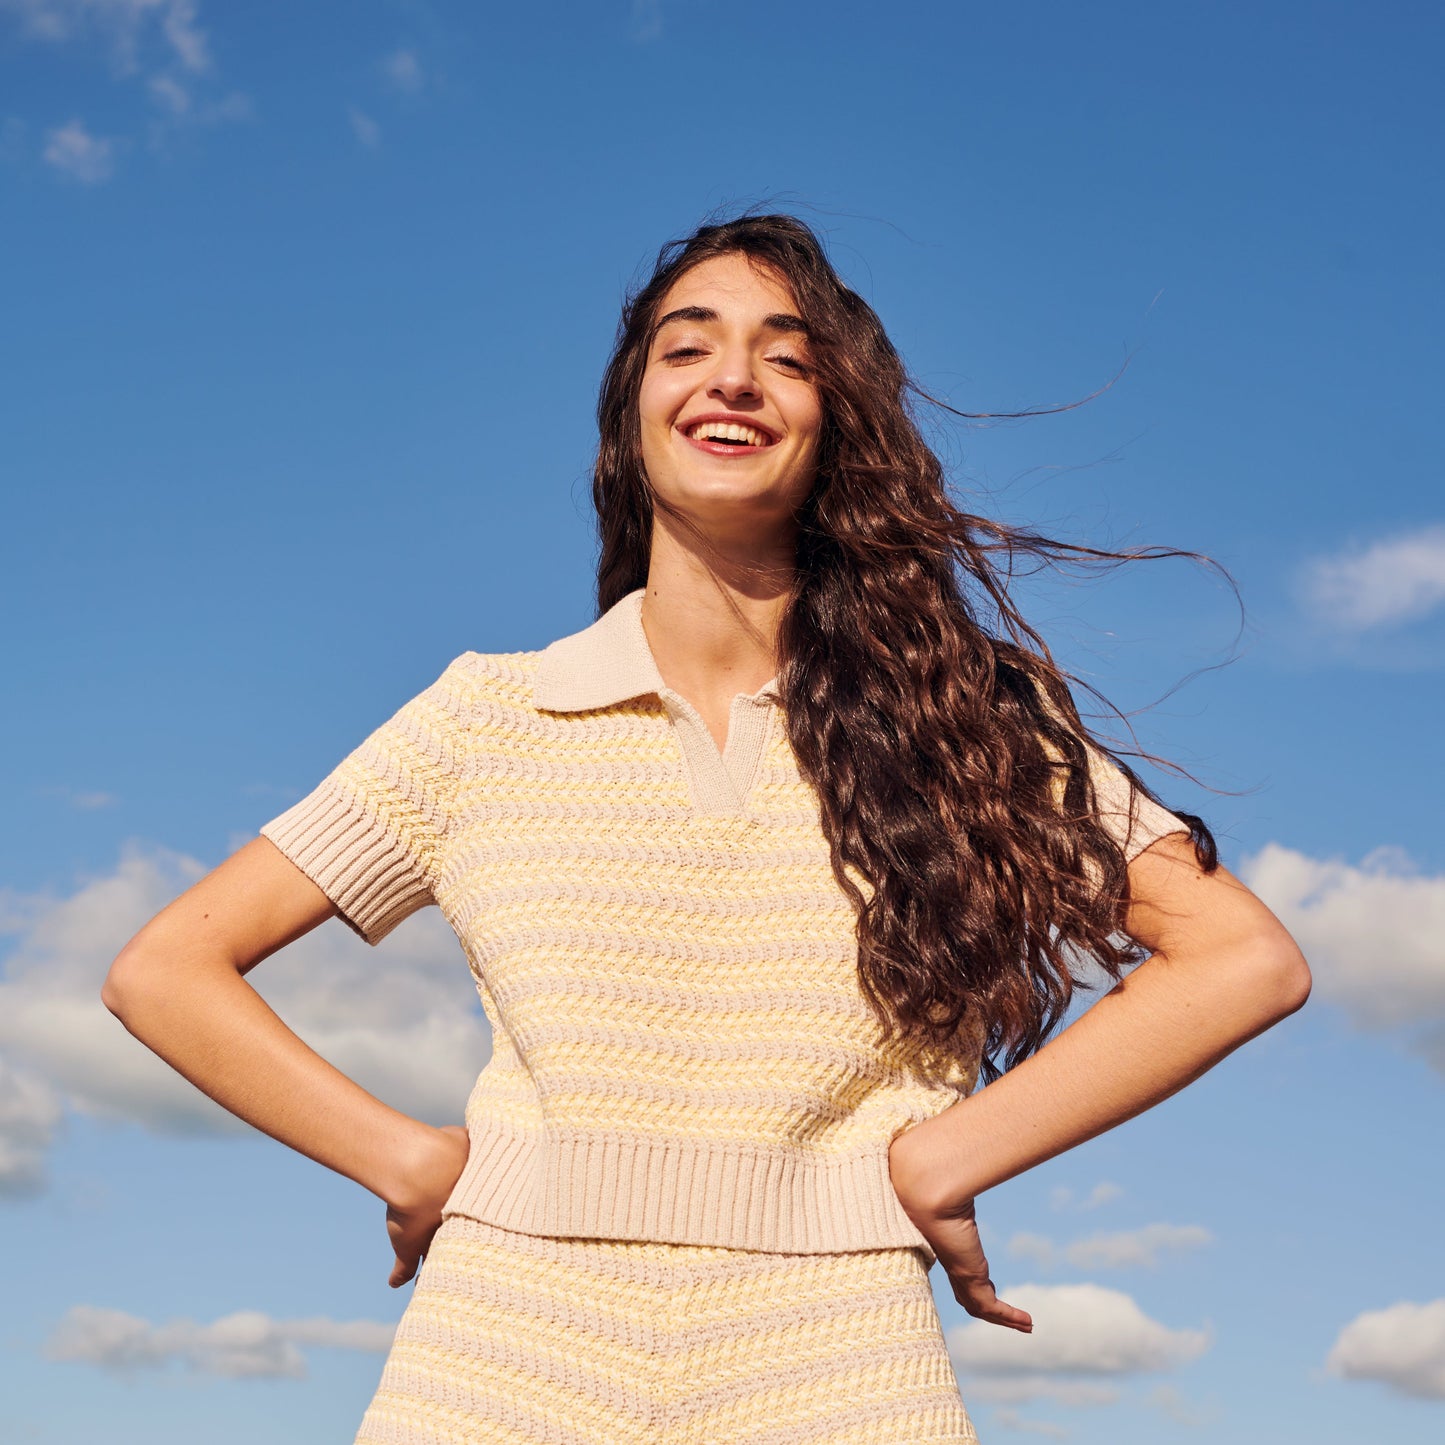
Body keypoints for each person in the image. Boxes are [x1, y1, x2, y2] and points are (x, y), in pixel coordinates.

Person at [103, 212, 1311, 1444]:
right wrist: (403, 1159)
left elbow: (1241, 957)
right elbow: (168, 968)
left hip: (842, 1362)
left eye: (785, 357)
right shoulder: (485, 717)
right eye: (687, 347)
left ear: (837, 421)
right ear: (631, 415)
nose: (731, 377)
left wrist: (944, 1159)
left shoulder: (967, 721)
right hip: (495, 1355)